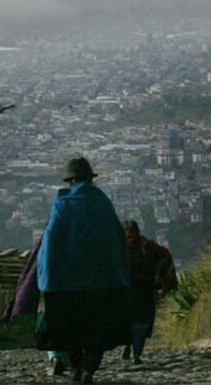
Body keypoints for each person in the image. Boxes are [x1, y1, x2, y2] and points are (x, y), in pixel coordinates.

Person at [37, 157, 131, 384]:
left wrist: (46, 278)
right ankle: (89, 369)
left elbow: (50, 243)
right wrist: (120, 273)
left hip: (66, 285)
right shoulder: (102, 203)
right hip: (102, 282)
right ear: (90, 179)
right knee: (97, 331)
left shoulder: (62, 204)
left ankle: (75, 367)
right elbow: (116, 239)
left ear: (70, 180)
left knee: (70, 331)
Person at [2, 235, 68, 376]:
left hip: (46, 290)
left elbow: (32, 267)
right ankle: (68, 360)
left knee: (48, 329)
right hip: (68, 290)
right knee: (67, 327)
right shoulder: (71, 239)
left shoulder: (44, 241)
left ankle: (55, 357)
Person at [122, 220, 178, 364]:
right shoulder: (148, 246)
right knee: (141, 322)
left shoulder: (117, 247)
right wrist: (161, 282)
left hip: (125, 291)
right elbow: (166, 256)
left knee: (128, 321)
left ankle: (129, 346)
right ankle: (136, 353)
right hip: (144, 290)